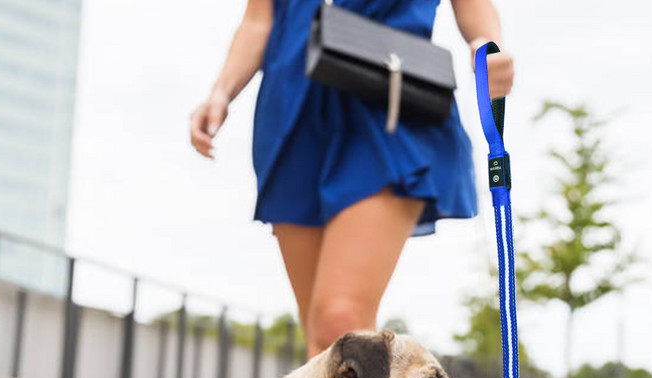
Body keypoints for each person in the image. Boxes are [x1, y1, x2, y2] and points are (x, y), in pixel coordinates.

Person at [190, 0, 514, 359]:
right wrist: (221, 92)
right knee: (322, 347)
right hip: (294, 111)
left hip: (387, 103)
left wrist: (489, 43)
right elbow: (258, 21)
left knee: (340, 324)